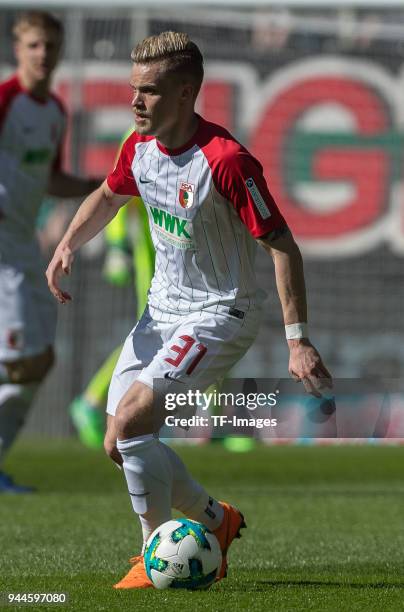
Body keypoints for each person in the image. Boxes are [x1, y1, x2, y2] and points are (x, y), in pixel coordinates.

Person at [46, 31, 332, 589]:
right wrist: (67, 245)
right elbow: (109, 195)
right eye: (133, 90)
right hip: (159, 313)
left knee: (130, 424)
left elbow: (283, 246)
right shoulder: (138, 146)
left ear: (185, 93)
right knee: (119, 443)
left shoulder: (226, 160)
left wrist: (297, 338)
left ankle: (152, 556)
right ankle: (215, 520)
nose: (135, 102)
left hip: (220, 313)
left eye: (149, 92)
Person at [0, 11, 101, 493]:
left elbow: (51, 179)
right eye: (35, 45)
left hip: (23, 248)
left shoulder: (55, 113)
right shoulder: (4, 101)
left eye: (52, 46)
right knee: (20, 361)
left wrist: (102, 188)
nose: (44, 54)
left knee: (39, 361)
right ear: (18, 49)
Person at [69, 128, 155, 449]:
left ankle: (210, 421)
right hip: (154, 258)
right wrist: (118, 246)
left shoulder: (195, 136)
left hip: (188, 259)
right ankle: (92, 401)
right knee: (153, 336)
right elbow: (116, 195)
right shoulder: (138, 138)